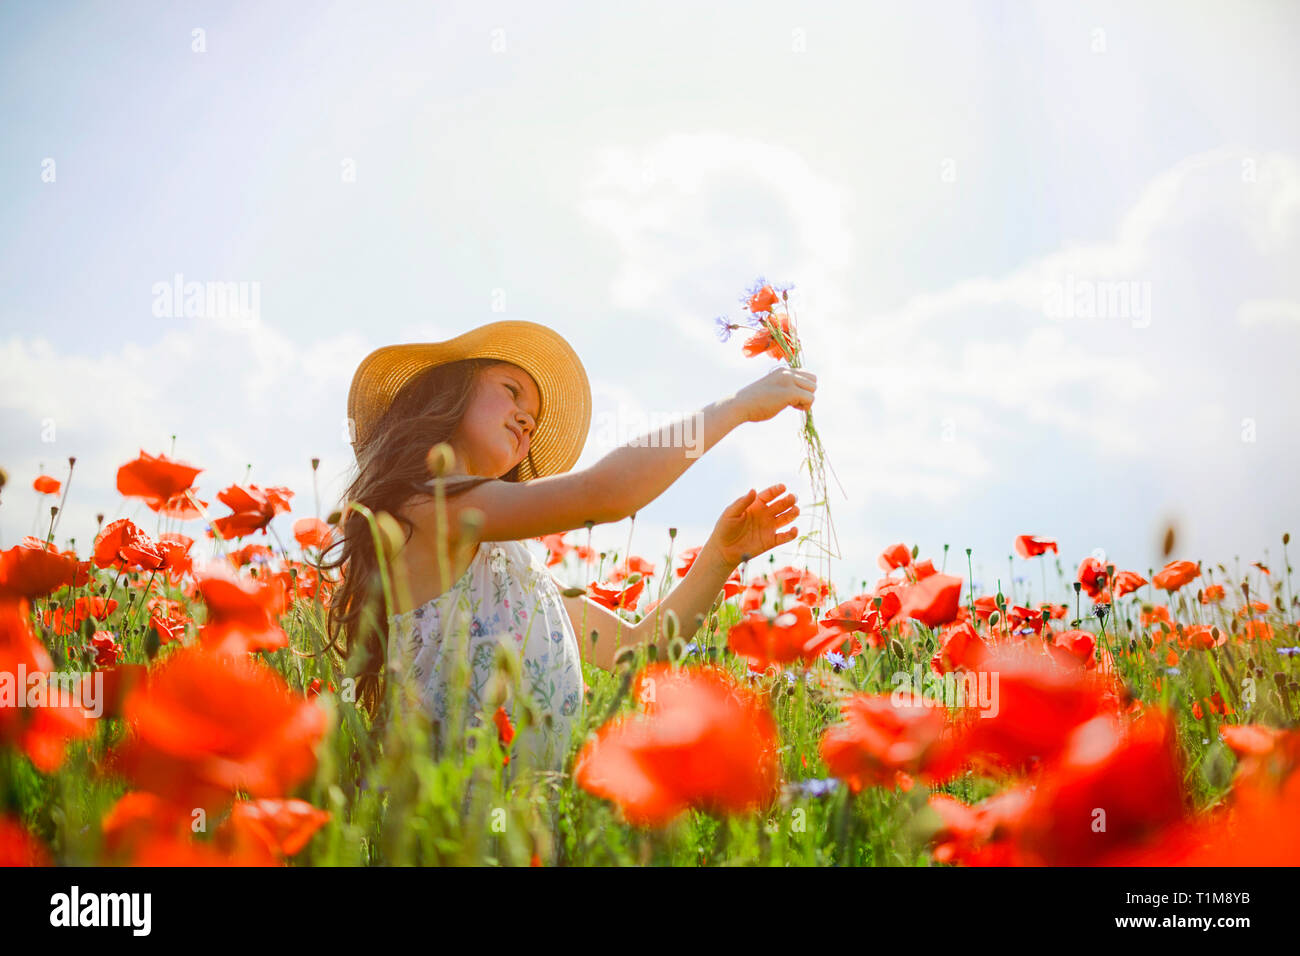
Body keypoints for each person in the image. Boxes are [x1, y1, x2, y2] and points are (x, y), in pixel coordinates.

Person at [324, 319, 816, 776]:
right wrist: (734, 408)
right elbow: (604, 493)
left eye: (535, 420)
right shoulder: (425, 509)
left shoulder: (511, 567)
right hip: (447, 830)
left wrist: (720, 557)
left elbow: (638, 650)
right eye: (511, 391)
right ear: (447, 392)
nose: (526, 420)